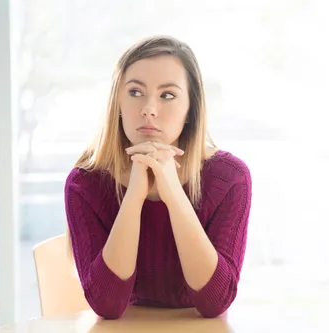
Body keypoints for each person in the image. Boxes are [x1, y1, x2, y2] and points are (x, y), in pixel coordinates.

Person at [64, 35, 252, 320]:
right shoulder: (85, 182)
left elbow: (215, 302)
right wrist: (135, 193)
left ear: (191, 110)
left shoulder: (230, 178)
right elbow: (107, 306)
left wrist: (172, 191)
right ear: (117, 102)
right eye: (135, 92)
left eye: (167, 95)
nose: (148, 109)